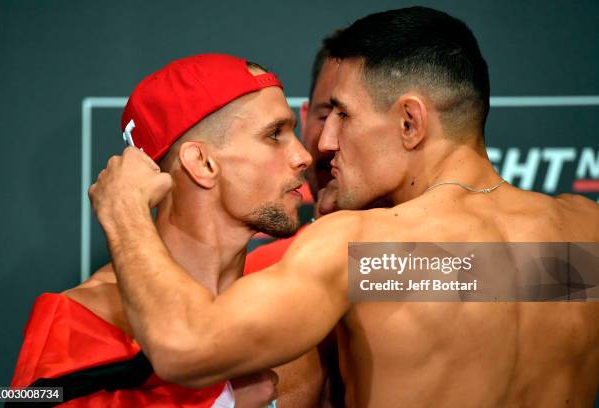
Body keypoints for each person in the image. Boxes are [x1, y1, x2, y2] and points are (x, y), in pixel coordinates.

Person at [89, 7, 599, 408]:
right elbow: (478, 276)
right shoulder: (585, 232)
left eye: (343, 115)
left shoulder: (365, 252)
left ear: (410, 123)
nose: (324, 142)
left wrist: (124, 211)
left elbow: (184, 348)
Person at [11, 54, 313, 407]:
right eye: (274, 134)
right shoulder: (81, 320)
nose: (303, 155)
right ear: (201, 163)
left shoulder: (293, 297)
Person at [242, 34, 342, 408]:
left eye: (350, 116)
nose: (331, 140)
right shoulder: (252, 273)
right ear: (304, 117)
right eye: (326, 114)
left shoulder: (459, 263)